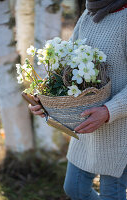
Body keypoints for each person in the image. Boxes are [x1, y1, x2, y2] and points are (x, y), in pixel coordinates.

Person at [29, 0, 127, 199]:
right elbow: (66, 66)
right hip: (85, 128)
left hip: (119, 132)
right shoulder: (89, 15)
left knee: (111, 194)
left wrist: (108, 111)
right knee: (74, 189)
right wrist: (46, 99)